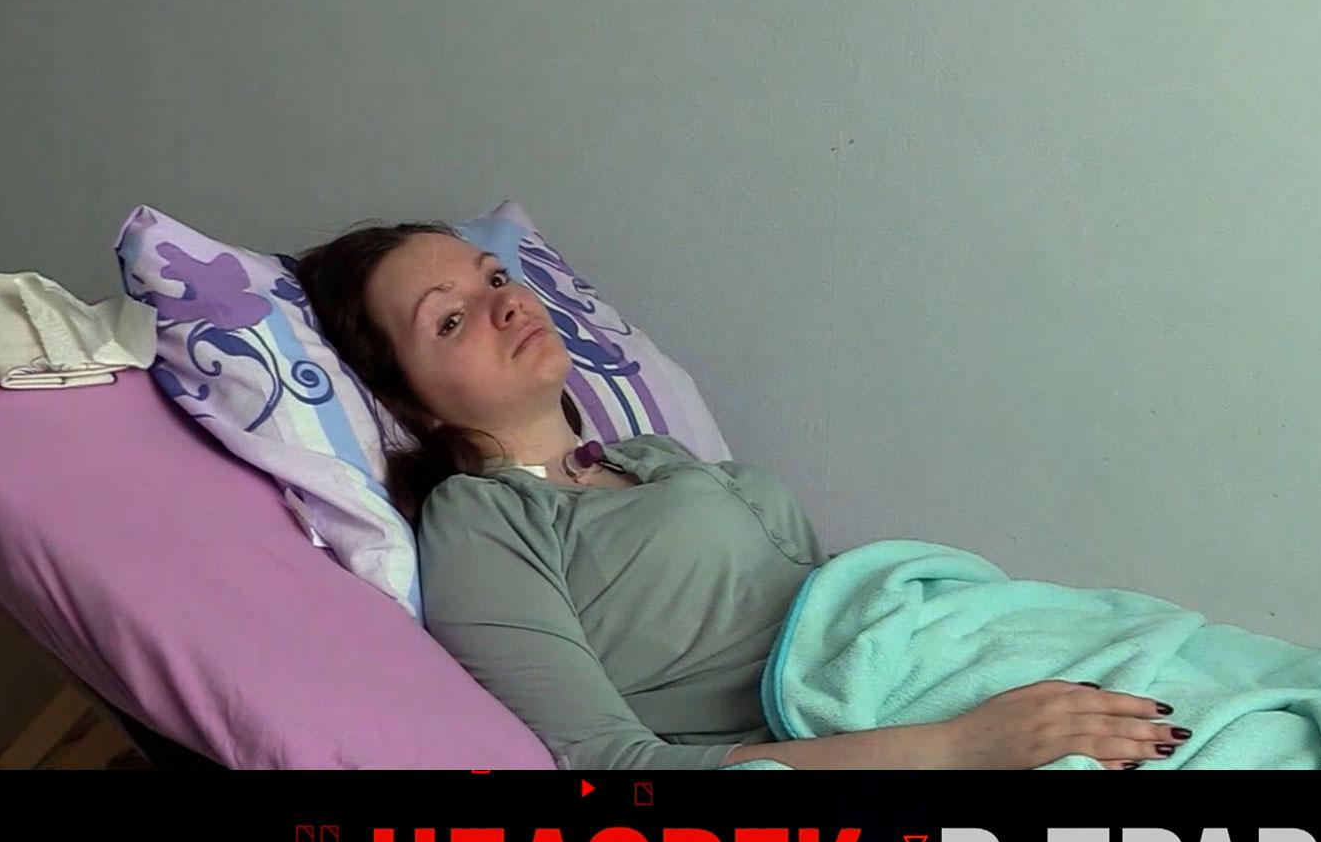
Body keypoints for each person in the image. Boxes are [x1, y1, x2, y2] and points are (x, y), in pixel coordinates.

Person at [294, 220, 1191, 770]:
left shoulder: (653, 456)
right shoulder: (483, 517)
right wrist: (959, 750)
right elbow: (609, 762)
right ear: (408, 399)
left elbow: (830, 610)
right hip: (924, 729)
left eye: (494, 277)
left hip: (966, 642)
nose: (506, 304)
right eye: (450, 318)